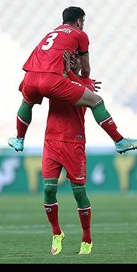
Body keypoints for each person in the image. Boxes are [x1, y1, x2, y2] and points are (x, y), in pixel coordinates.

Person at [8, 6, 137, 154]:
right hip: (52, 80)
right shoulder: (80, 34)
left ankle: (19, 139)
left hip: (30, 77)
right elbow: (86, 70)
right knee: (96, 101)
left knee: (26, 103)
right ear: (79, 21)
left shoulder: (50, 34)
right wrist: (85, 80)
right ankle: (119, 141)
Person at [42, 51, 97, 255]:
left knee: (79, 192)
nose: (71, 60)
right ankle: (57, 232)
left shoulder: (88, 84)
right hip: (52, 141)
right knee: (48, 190)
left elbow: (81, 90)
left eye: (75, 58)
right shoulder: (54, 79)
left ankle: (87, 237)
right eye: (68, 57)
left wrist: (69, 73)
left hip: (74, 143)